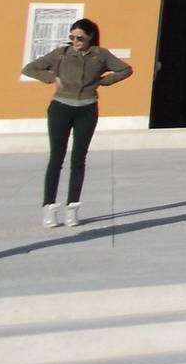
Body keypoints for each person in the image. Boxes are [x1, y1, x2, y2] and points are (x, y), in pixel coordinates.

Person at [22, 17, 131, 228]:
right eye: (72, 37)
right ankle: (49, 208)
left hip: (87, 109)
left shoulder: (101, 55)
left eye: (80, 37)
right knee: (56, 158)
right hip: (60, 109)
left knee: (78, 159)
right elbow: (29, 69)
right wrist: (52, 77)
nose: (75, 41)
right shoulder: (61, 54)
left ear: (90, 36)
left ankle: (72, 208)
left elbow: (126, 70)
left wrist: (104, 81)